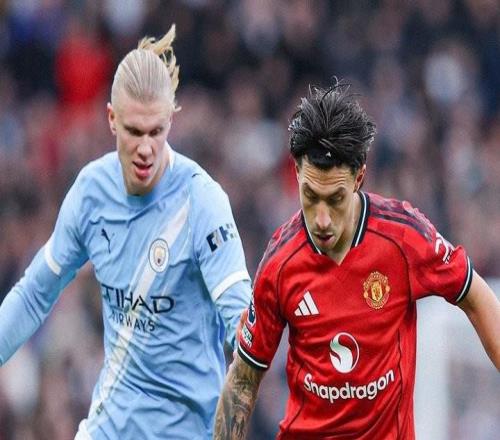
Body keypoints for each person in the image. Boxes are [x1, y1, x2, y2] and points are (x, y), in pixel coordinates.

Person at [0, 25, 252, 439]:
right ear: (112, 120)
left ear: (171, 120)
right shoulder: (91, 192)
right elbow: (33, 295)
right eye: (134, 131)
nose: (146, 148)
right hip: (108, 428)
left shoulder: (202, 201)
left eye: (157, 131)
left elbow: (242, 324)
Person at [213, 81, 500, 439]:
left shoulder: (403, 238)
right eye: (310, 196)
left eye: (335, 199)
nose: (321, 219)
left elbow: (475, 294)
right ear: (297, 173)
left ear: (359, 177)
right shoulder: (280, 263)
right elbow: (243, 379)